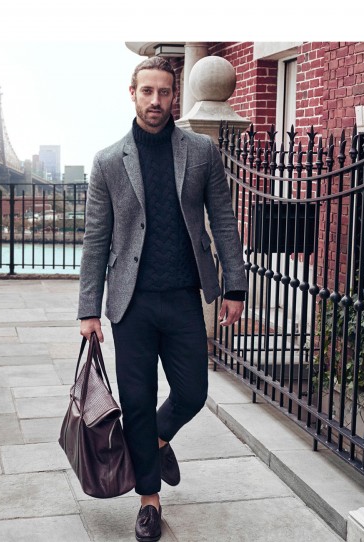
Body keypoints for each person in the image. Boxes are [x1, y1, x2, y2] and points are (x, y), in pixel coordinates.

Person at [77, 56, 249, 542]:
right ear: (132, 93)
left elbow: (224, 220)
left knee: (193, 391)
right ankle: (149, 500)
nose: (156, 101)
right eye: (147, 91)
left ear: (176, 97)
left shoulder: (200, 152)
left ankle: (153, 440)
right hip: (130, 303)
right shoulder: (109, 161)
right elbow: (96, 239)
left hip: (182, 297)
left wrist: (234, 284)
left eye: (164, 92)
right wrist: (89, 309)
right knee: (136, 400)